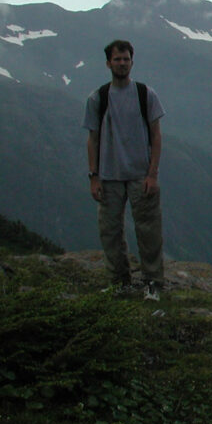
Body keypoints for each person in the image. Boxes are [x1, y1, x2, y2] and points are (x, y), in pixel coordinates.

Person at [83, 40, 166, 299]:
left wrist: (153, 174)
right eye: (117, 59)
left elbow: (156, 135)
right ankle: (120, 281)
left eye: (126, 59)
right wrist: (94, 176)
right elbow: (93, 138)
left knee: (148, 230)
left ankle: (152, 282)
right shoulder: (98, 98)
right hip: (109, 176)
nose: (122, 63)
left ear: (132, 62)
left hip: (140, 175)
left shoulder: (145, 94)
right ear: (108, 63)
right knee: (110, 231)